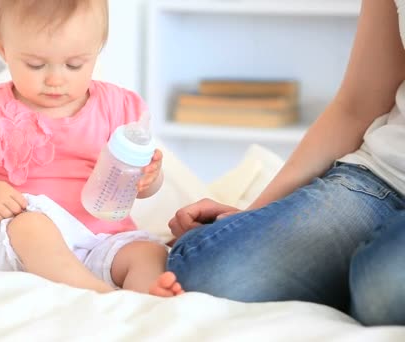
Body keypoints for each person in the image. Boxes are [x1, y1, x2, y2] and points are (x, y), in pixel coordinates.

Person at [166, 0, 405, 326]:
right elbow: (357, 105)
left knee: (384, 290)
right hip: (382, 179)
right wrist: (255, 214)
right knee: (205, 276)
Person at [0, 0, 183, 297]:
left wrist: (149, 177)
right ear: (4, 49)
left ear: (97, 49)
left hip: (100, 238)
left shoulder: (119, 108)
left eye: (74, 65)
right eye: (36, 65)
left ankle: (145, 295)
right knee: (32, 226)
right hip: (18, 241)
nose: (55, 79)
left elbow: (139, 187)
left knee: (148, 253)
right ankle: (97, 293)